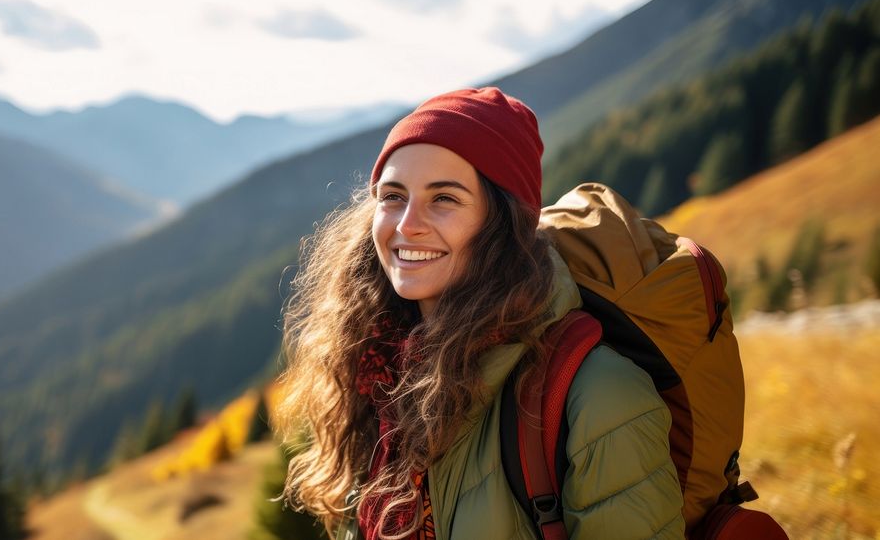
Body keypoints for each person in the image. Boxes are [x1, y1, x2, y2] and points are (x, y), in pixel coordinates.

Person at [278, 87, 685, 539]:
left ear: (502, 223)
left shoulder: (598, 395)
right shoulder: (378, 372)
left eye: (444, 198)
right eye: (392, 195)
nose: (406, 223)